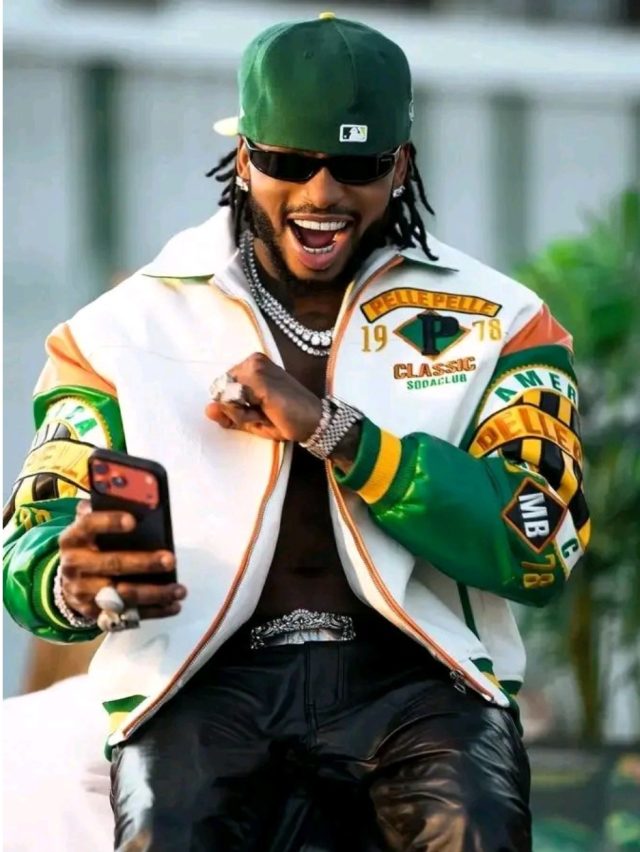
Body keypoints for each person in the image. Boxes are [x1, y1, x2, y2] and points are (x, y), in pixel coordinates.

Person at [3, 12, 590, 852]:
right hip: (205, 681)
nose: (321, 195)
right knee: (170, 831)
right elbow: (30, 539)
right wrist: (71, 578)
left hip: (416, 681)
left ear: (401, 166)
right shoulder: (116, 332)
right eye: (288, 162)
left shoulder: (503, 321)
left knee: (473, 827)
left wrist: (338, 434)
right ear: (244, 157)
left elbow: (541, 542)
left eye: (357, 165)